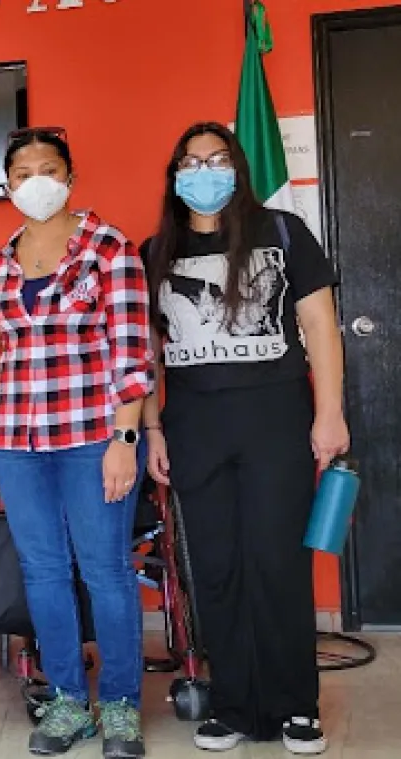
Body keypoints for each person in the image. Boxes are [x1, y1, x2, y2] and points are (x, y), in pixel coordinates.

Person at [142, 122, 349, 756]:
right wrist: (151, 428)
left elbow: (319, 324)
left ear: (237, 168)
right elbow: (145, 354)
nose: (204, 171)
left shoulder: (283, 233)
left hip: (276, 420)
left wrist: (330, 413)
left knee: (277, 564)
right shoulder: (155, 251)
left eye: (217, 159)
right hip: (194, 428)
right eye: (192, 160)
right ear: (176, 173)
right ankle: (231, 704)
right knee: (217, 570)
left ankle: (296, 706)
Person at [0, 129, 154, 759]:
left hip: (93, 436)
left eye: (48, 169)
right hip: (15, 438)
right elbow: (3, 351)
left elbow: (134, 355)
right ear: (8, 186)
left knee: (106, 571)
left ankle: (119, 705)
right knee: (44, 572)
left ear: (70, 177)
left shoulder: (110, 249)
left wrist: (125, 438)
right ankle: (64, 701)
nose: (36, 181)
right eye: (22, 172)